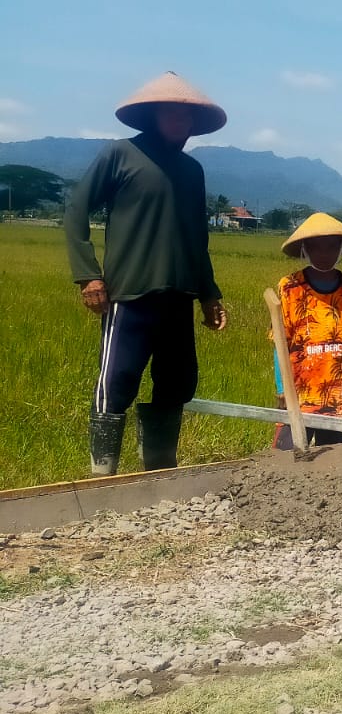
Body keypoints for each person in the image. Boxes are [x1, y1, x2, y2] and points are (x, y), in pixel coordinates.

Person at [64, 72, 228, 475]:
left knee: (177, 383)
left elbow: (198, 238)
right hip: (130, 294)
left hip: (179, 297)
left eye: (186, 116)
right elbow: (76, 209)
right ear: (153, 115)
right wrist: (88, 275)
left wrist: (209, 293)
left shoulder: (192, 171)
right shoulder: (120, 154)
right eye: (171, 113)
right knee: (116, 381)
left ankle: (159, 473)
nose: (179, 121)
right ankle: (102, 475)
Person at [271, 213, 342, 449]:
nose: (324, 253)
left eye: (332, 247)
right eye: (316, 247)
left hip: (339, 394)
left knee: (333, 458)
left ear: (341, 248)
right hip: (299, 393)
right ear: (305, 249)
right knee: (287, 456)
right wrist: (282, 387)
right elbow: (280, 340)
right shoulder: (290, 287)